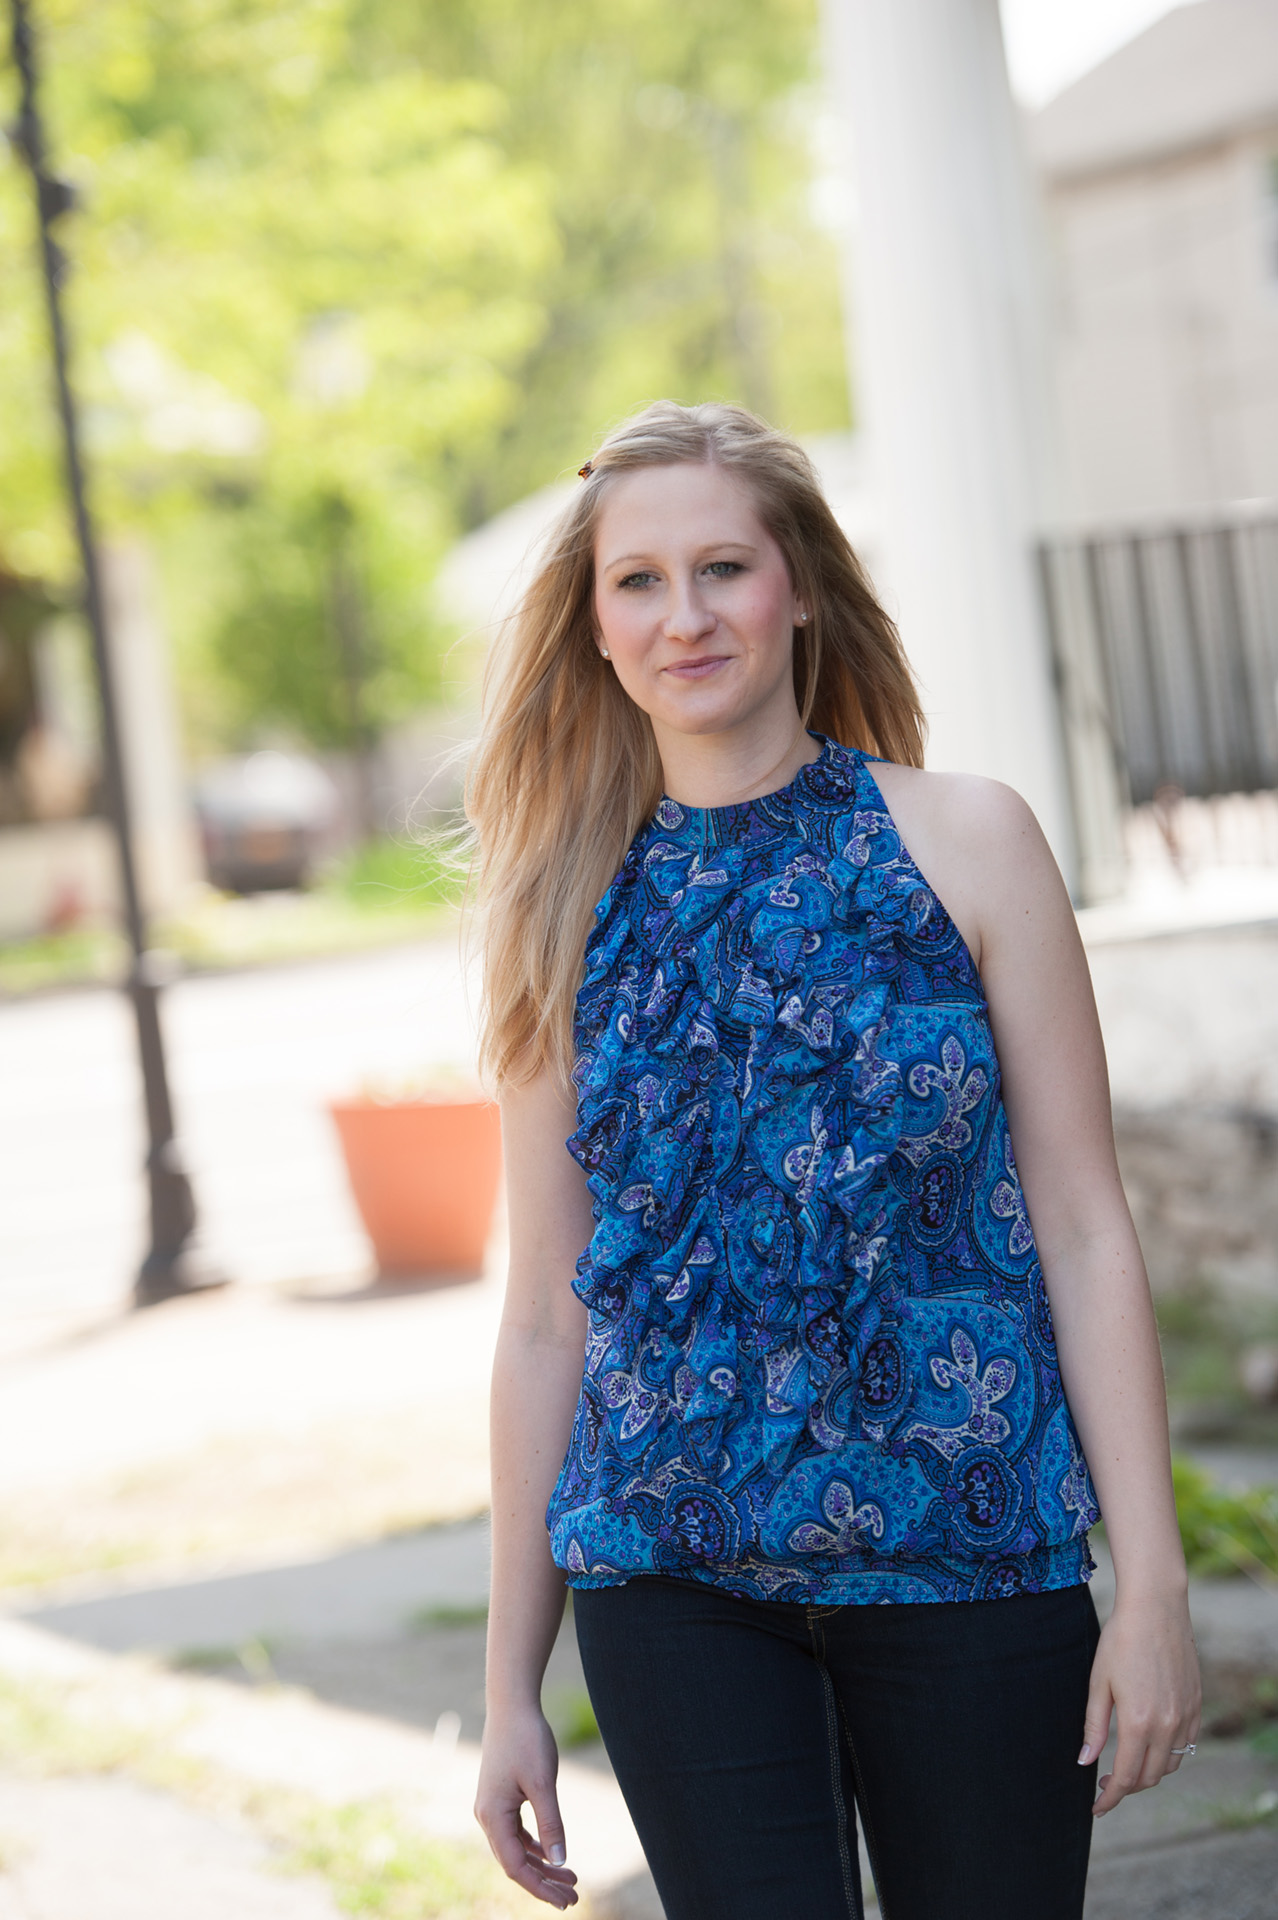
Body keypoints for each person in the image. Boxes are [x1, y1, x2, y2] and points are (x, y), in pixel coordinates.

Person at [468, 401, 1200, 1920]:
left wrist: (1154, 1590)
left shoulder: (969, 842)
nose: (686, 616)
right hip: (667, 1579)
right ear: (594, 627)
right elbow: (546, 1312)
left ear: (798, 584)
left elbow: (1080, 1225)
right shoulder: (557, 911)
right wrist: (507, 1690)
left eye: (723, 567)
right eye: (639, 582)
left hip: (973, 1553)